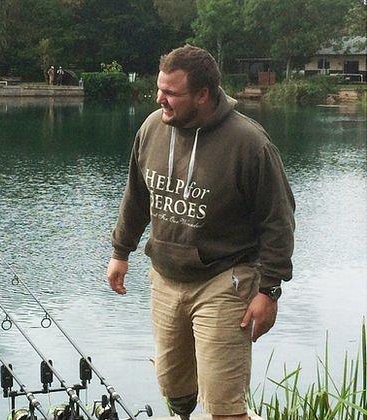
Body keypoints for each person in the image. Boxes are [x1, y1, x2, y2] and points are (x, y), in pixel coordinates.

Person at [107, 45, 294, 420]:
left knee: (224, 405)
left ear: (204, 95)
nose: (160, 98)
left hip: (225, 280)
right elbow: (137, 195)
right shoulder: (152, 129)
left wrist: (269, 290)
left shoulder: (249, 144)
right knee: (175, 389)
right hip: (165, 276)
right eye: (160, 89)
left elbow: (278, 220)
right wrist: (120, 252)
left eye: (171, 92)